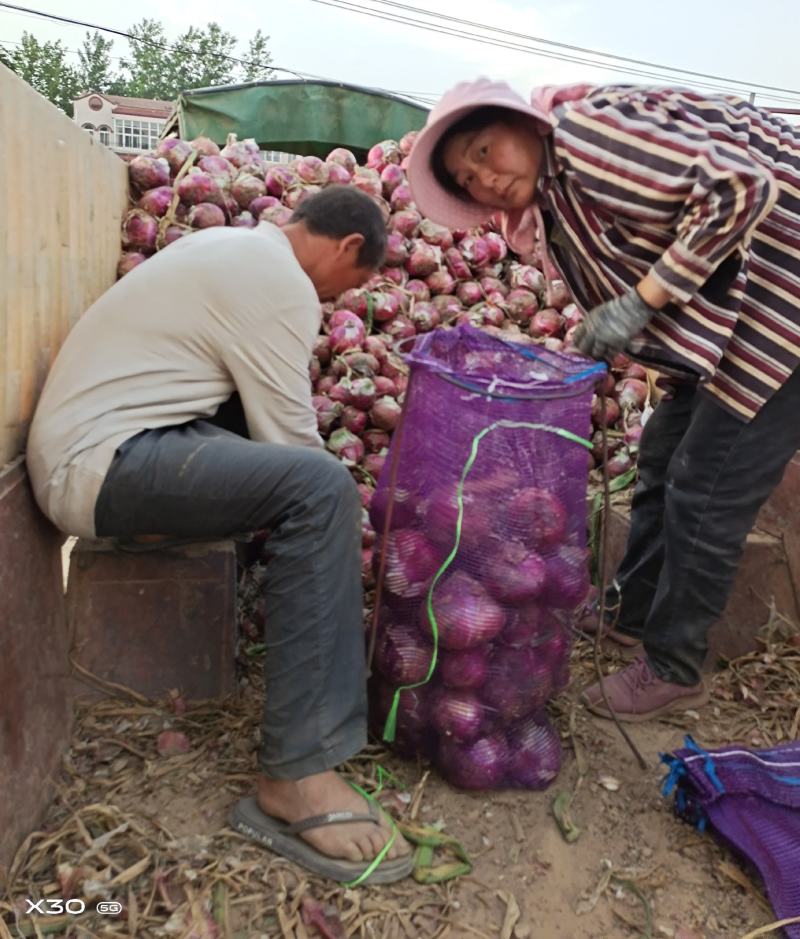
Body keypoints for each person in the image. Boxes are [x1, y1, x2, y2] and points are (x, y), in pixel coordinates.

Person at [26, 186, 413, 885]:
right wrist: (362, 539)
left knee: (272, 447)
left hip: (99, 452)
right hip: (97, 465)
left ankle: (156, 526)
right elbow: (293, 445)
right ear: (349, 246)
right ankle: (297, 773)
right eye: (350, 285)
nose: (333, 302)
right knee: (319, 489)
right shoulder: (278, 280)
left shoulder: (231, 247)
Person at [406, 77, 800, 723]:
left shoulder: (584, 138)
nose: (484, 179)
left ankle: (675, 666)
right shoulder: (558, 197)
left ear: (522, 123)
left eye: (482, 150)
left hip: (784, 311)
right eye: (465, 177)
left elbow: (741, 188)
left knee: (706, 483)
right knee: (662, 454)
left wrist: (637, 305)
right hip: (741, 316)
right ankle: (629, 612)